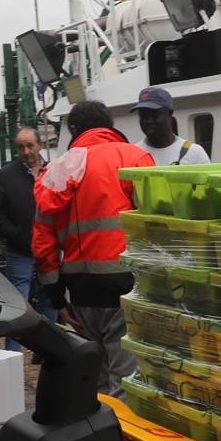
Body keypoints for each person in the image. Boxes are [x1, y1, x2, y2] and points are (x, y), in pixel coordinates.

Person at [33, 100, 154, 397]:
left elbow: (42, 244)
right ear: (110, 124)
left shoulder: (56, 171)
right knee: (125, 381)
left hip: (81, 291)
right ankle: (122, 439)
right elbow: (156, 225)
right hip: (126, 286)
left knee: (95, 377)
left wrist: (56, 299)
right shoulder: (135, 158)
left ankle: (95, 435)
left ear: (74, 129)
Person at [0, 126, 56, 352]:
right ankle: (12, 355)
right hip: (21, 252)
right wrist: (18, 237)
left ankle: (49, 353)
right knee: (18, 306)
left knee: (51, 301)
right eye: (21, 147)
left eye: (30, 146)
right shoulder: (6, 175)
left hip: (50, 251)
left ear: (40, 145)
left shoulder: (54, 171)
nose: (26, 151)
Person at [130, 86, 210, 167]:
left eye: (154, 115)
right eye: (143, 116)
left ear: (170, 114)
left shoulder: (194, 153)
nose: (148, 121)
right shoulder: (132, 154)